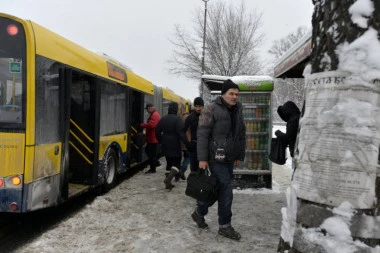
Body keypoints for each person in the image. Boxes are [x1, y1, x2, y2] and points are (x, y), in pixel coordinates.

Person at [191, 79, 246, 241]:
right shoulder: (211, 109)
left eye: (237, 94)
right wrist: (202, 158)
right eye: (231, 93)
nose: (234, 97)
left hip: (229, 158)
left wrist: (239, 155)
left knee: (216, 191)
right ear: (223, 94)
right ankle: (225, 226)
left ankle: (199, 212)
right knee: (227, 191)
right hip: (215, 159)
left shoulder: (238, 110)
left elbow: (241, 135)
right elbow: (202, 134)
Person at [155, 102, 188, 189]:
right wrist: (186, 143)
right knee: (177, 163)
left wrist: (160, 140)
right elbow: (181, 133)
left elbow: (157, 131)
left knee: (169, 162)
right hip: (175, 142)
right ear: (176, 109)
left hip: (165, 142)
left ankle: (167, 182)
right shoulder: (177, 119)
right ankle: (168, 179)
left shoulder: (163, 119)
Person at [275, 101, 301, 169]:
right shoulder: (298, 117)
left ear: (287, 111)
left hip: (296, 152)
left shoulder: (293, 121)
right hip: (299, 151)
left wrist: (278, 133)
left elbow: (288, 137)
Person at [183, 97, 204, 173]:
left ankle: (202, 184)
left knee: (203, 169)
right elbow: (182, 131)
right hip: (194, 146)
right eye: (196, 106)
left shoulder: (207, 116)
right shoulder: (190, 118)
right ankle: (194, 184)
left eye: (200, 106)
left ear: (203, 106)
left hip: (205, 147)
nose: (198, 109)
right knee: (194, 169)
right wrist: (188, 143)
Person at [140, 103, 160, 174]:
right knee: (148, 151)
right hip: (152, 137)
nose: (147, 111)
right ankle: (156, 163)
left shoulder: (154, 115)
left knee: (151, 154)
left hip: (153, 138)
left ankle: (152, 169)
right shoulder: (155, 114)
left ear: (150, 108)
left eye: (147, 109)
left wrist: (142, 125)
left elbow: (152, 125)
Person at [176, 112, 191, 181]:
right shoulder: (190, 124)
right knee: (187, 158)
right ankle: (181, 172)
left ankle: (179, 173)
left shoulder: (179, 124)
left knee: (180, 159)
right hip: (187, 143)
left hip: (180, 143)